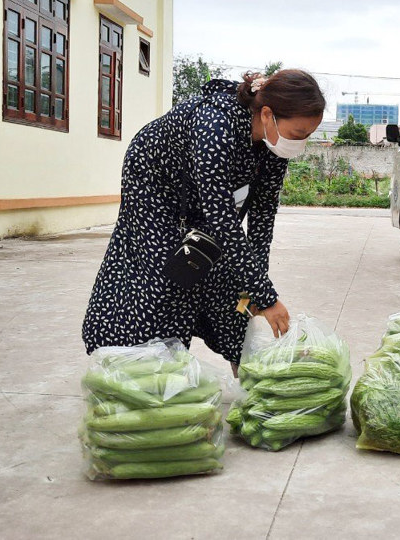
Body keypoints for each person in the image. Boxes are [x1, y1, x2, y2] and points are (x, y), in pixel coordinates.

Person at [82, 69, 326, 372]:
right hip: (155, 183)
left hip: (201, 195)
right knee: (171, 273)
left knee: (229, 276)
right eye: (299, 133)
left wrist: (256, 290)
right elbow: (223, 221)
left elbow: (262, 220)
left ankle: (243, 359)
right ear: (267, 114)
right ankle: (146, 364)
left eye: (308, 135)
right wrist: (268, 297)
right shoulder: (216, 125)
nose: (300, 143)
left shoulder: (275, 147)